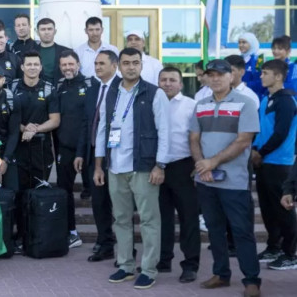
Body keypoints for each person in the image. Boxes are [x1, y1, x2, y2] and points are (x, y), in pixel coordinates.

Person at [93, 47, 170, 290]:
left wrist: (160, 165)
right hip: (115, 167)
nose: (131, 67)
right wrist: (99, 165)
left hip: (144, 167)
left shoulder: (154, 93)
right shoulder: (112, 92)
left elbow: (164, 132)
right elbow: (103, 129)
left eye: (135, 62)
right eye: (126, 63)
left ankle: (148, 269)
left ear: (141, 64)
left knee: (149, 220)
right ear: (118, 66)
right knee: (121, 220)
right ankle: (125, 266)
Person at [190, 59, 261, 296]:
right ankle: (221, 274)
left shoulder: (246, 103)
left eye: (221, 74)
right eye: (211, 74)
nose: (216, 78)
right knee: (214, 229)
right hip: (206, 180)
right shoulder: (200, 104)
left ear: (231, 76)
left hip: (234, 181)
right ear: (206, 78)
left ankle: (251, 280)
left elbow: (243, 141)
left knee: (241, 231)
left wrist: (213, 162)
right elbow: (193, 139)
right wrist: (203, 166)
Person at [251, 59, 297, 271]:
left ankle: (291, 253)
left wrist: (261, 152)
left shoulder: (286, 101)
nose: (261, 76)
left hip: (279, 163)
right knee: (268, 210)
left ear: (278, 76)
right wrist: (254, 149)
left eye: (265, 73)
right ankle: (273, 247)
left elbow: (281, 133)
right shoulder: (265, 99)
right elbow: (260, 129)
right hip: (263, 161)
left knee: (283, 209)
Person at [12, 51, 60, 253]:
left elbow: (55, 120)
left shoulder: (49, 88)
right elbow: (11, 119)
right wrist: (25, 129)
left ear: (41, 67)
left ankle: (37, 236)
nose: (32, 67)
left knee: (38, 193)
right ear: (22, 67)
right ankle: (20, 236)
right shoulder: (13, 87)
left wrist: (35, 130)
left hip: (41, 149)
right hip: (18, 148)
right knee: (19, 193)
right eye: (28, 64)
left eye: (36, 64)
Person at [156, 67, 200, 283]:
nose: (167, 83)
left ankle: (190, 265)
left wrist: (198, 164)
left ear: (181, 84)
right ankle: (163, 261)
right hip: (158, 168)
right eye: (163, 80)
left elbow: (199, 137)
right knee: (161, 218)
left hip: (184, 167)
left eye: (172, 80)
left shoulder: (191, 106)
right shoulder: (153, 104)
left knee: (188, 218)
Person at [74, 50, 118, 262]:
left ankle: (126, 247)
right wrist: (81, 153)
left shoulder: (122, 88)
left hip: (118, 155)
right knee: (99, 202)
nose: (98, 67)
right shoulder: (93, 90)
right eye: (96, 63)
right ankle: (104, 243)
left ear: (114, 65)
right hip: (94, 155)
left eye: (102, 63)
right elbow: (85, 124)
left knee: (120, 203)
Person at [53, 49, 91, 249]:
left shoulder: (90, 85)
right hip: (65, 148)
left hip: (89, 149)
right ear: (60, 67)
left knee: (97, 192)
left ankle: (105, 236)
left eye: (71, 64)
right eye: (64, 65)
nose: (68, 68)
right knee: (64, 191)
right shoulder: (58, 87)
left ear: (78, 64)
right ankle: (72, 232)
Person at [35, 18, 70, 84]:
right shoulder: (30, 53)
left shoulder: (67, 52)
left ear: (55, 31)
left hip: (61, 90)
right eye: (43, 29)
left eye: (49, 29)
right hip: (38, 90)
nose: (46, 32)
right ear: (37, 32)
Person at [237, 32, 265, 98]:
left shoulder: (259, 60)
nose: (241, 45)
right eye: (239, 43)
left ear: (252, 43)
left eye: (244, 42)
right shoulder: (237, 59)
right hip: (239, 96)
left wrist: (246, 85)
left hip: (255, 97)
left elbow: (262, 82)